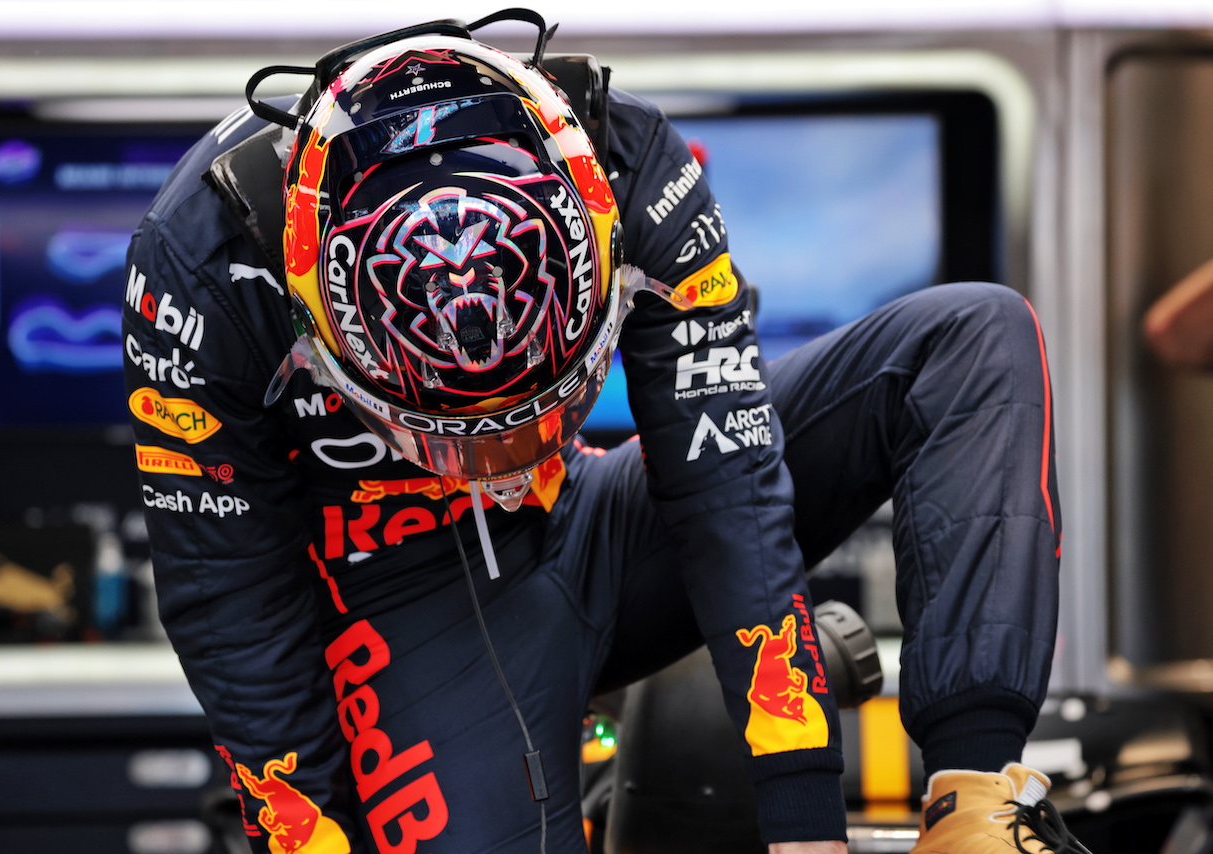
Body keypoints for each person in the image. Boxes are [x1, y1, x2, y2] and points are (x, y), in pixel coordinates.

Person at [122, 12, 1087, 853]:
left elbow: (726, 479)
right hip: (393, 591)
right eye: (471, 436)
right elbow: (229, 602)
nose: (499, 463)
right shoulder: (200, 267)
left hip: (600, 511)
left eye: (525, 418)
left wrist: (801, 809)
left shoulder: (626, 160)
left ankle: (977, 801)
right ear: (319, 323)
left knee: (972, 337)